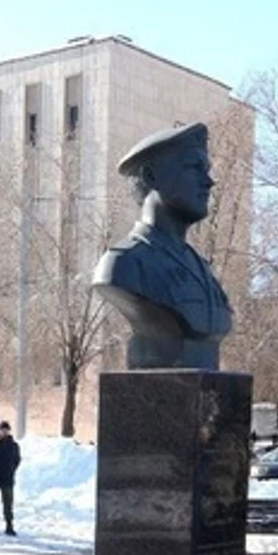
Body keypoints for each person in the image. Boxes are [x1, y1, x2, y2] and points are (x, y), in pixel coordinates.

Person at [90, 122, 232, 370]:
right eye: (193, 168)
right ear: (151, 177)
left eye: (206, 170)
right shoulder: (124, 264)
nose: (209, 182)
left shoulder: (204, 271)